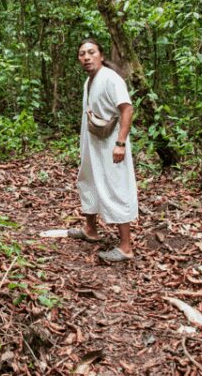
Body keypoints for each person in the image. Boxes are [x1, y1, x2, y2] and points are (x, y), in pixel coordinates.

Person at [68, 38, 138, 262]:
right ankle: (90, 229)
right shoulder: (89, 81)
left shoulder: (111, 79)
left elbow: (127, 109)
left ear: (102, 55)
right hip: (92, 143)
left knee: (115, 186)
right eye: (82, 54)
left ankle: (125, 247)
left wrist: (120, 143)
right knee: (88, 179)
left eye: (91, 52)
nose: (86, 57)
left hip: (110, 144)